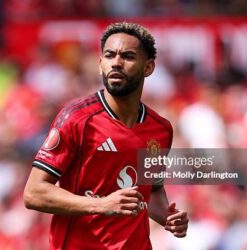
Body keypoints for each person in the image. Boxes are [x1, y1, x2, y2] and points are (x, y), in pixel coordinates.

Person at [24, 22, 189, 250]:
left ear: (148, 67)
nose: (117, 63)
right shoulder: (77, 118)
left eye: (128, 56)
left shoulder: (160, 129)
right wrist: (100, 204)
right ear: (100, 64)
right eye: (109, 55)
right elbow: (34, 193)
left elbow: (151, 190)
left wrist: (168, 217)